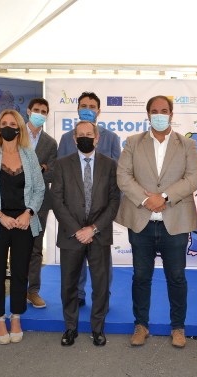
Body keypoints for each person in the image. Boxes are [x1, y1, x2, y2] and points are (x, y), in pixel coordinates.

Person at [115, 95, 197, 348]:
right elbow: (123, 176)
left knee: (177, 278)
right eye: (155, 111)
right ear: (148, 114)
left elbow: (193, 178)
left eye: (164, 110)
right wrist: (146, 200)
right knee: (141, 277)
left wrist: (163, 197)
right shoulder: (133, 142)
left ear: (171, 114)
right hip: (141, 222)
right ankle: (141, 325)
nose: (159, 115)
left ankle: (178, 327)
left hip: (175, 222)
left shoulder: (187, 145)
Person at [0, 109, 45, 345]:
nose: (8, 127)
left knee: (19, 272)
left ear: (19, 128)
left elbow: (39, 189)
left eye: (13, 124)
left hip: (24, 222)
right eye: (4, 123)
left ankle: (16, 316)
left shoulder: (29, 154)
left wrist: (28, 213)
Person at [51, 120, 120, 347]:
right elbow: (57, 201)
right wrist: (77, 230)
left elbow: (114, 201)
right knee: (69, 285)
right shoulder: (62, 164)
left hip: (99, 234)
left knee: (100, 285)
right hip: (71, 235)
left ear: (97, 138)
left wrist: (93, 228)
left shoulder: (110, 164)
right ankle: (70, 328)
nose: (85, 138)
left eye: (89, 135)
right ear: (74, 139)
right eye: (80, 135)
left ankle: (98, 328)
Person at [58, 91, 120, 307]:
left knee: (102, 263)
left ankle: (103, 296)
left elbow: (118, 176)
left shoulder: (111, 138)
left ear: (98, 111)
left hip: (100, 214)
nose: (88, 109)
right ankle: (78, 294)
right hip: (74, 213)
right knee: (75, 260)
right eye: (83, 106)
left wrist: (108, 214)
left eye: (92, 106)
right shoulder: (67, 138)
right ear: (77, 109)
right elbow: (60, 175)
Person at [25, 97, 58, 309]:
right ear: (28, 111)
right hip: (14, 200)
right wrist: (39, 168)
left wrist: (31, 171)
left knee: (36, 248)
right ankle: (18, 290)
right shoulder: (14, 135)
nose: (40, 114)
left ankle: (33, 291)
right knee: (16, 248)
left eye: (43, 111)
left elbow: (52, 173)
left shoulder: (50, 143)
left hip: (41, 202)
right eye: (36, 110)